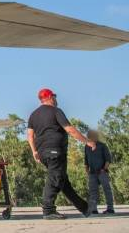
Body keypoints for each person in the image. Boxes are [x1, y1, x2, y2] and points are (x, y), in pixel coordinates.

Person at [27, 88, 96, 220]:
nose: (56, 99)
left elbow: (30, 136)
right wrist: (87, 141)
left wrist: (34, 151)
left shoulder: (33, 115)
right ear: (50, 97)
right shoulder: (56, 111)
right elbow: (70, 130)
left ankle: (85, 208)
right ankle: (48, 210)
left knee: (63, 181)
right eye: (54, 97)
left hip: (42, 153)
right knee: (55, 178)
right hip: (55, 151)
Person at [84, 130, 115, 215]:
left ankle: (110, 208)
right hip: (92, 173)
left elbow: (108, 159)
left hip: (102, 172)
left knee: (107, 190)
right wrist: (87, 171)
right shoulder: (86, 147)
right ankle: (94, 209)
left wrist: (104, 169)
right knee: (93, 191)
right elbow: (86, 160)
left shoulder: (102, 146)